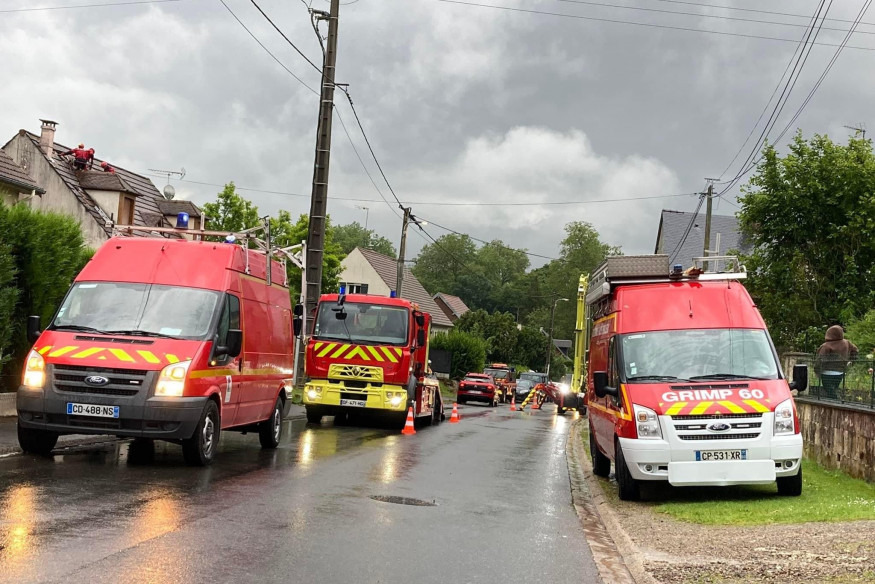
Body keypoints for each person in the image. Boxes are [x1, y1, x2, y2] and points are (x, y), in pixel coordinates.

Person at [814, 325, 858, 398]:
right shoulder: (847, 343)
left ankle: (835, 401)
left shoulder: (826, 346)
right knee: (833, 389)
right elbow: (855, 351)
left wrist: (817, 371)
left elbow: (820, 360)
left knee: (830, 391)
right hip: (841, 372)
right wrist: (851, 361)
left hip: (826, 372)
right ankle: (836, 401)